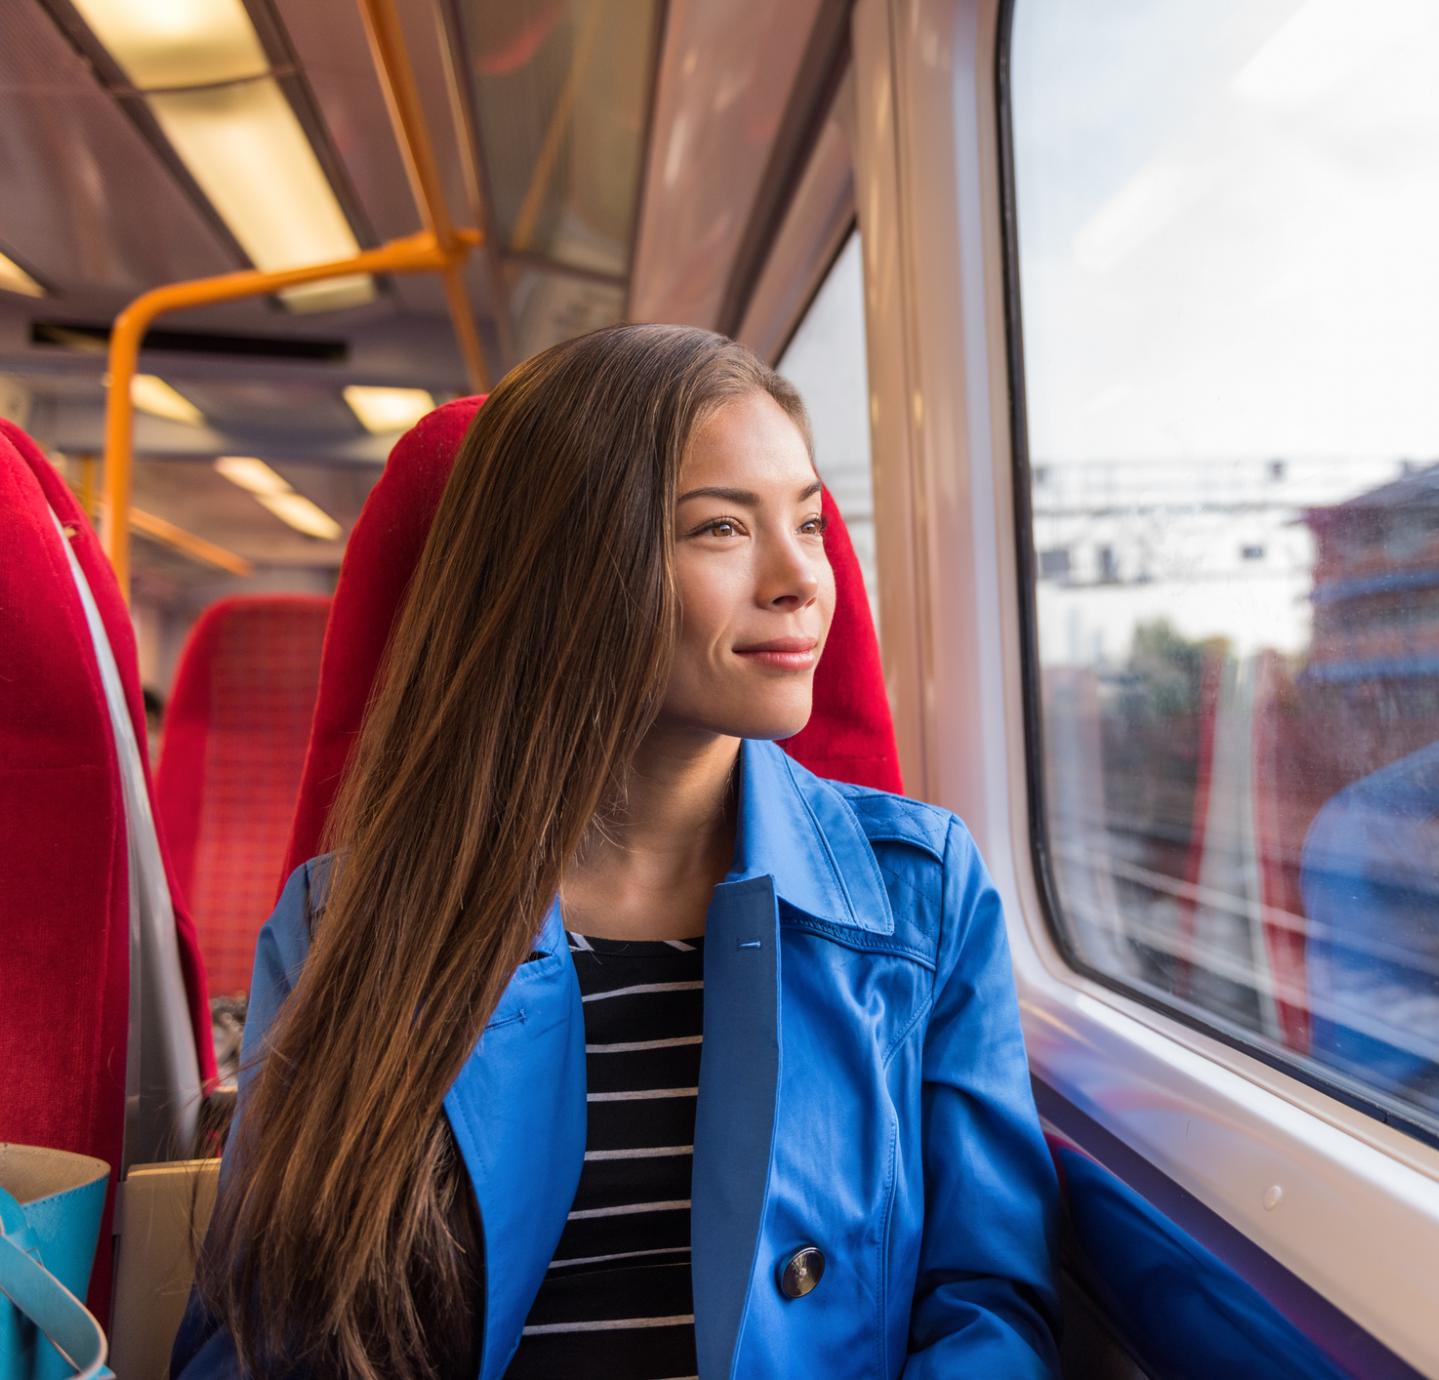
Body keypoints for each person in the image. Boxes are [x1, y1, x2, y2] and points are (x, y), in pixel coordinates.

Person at [170, 325, 1060, 1380]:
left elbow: (988, 1310)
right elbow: (262, 1335)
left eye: (810, 524)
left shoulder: (924, 893)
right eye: (722, 528)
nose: (801, 581)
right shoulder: (343, 921)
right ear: (568, 570)